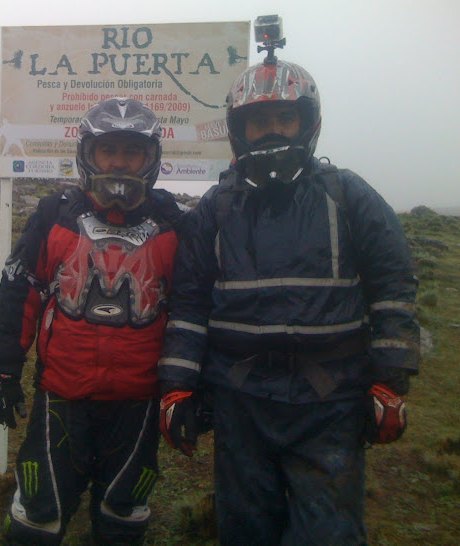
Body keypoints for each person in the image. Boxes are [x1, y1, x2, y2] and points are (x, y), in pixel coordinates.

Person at [158, 52, 419, 545]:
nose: (273, 129)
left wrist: (391, 380)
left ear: (308, 123)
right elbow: (189, 302)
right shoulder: (217, 206)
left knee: (328, 534)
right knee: (245, 530)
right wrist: (177, 386)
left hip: (331, 402)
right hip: (240, 402)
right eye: (259, 120)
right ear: (240, 128)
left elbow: (393, 284)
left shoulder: (347, 194)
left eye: (285, 117)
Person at [0, 97, 183, 544]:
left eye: (132, 151)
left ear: (151, 159)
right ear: (87, 154)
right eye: (108, 150)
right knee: (38, 510)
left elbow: (191, 309)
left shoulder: (173, 224)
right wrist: (3, 371)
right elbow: (20, 292)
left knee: (123, 512)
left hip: (139, 400)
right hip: (61, 394)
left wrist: (189, 385)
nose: (119, 162)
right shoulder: (55, 214)